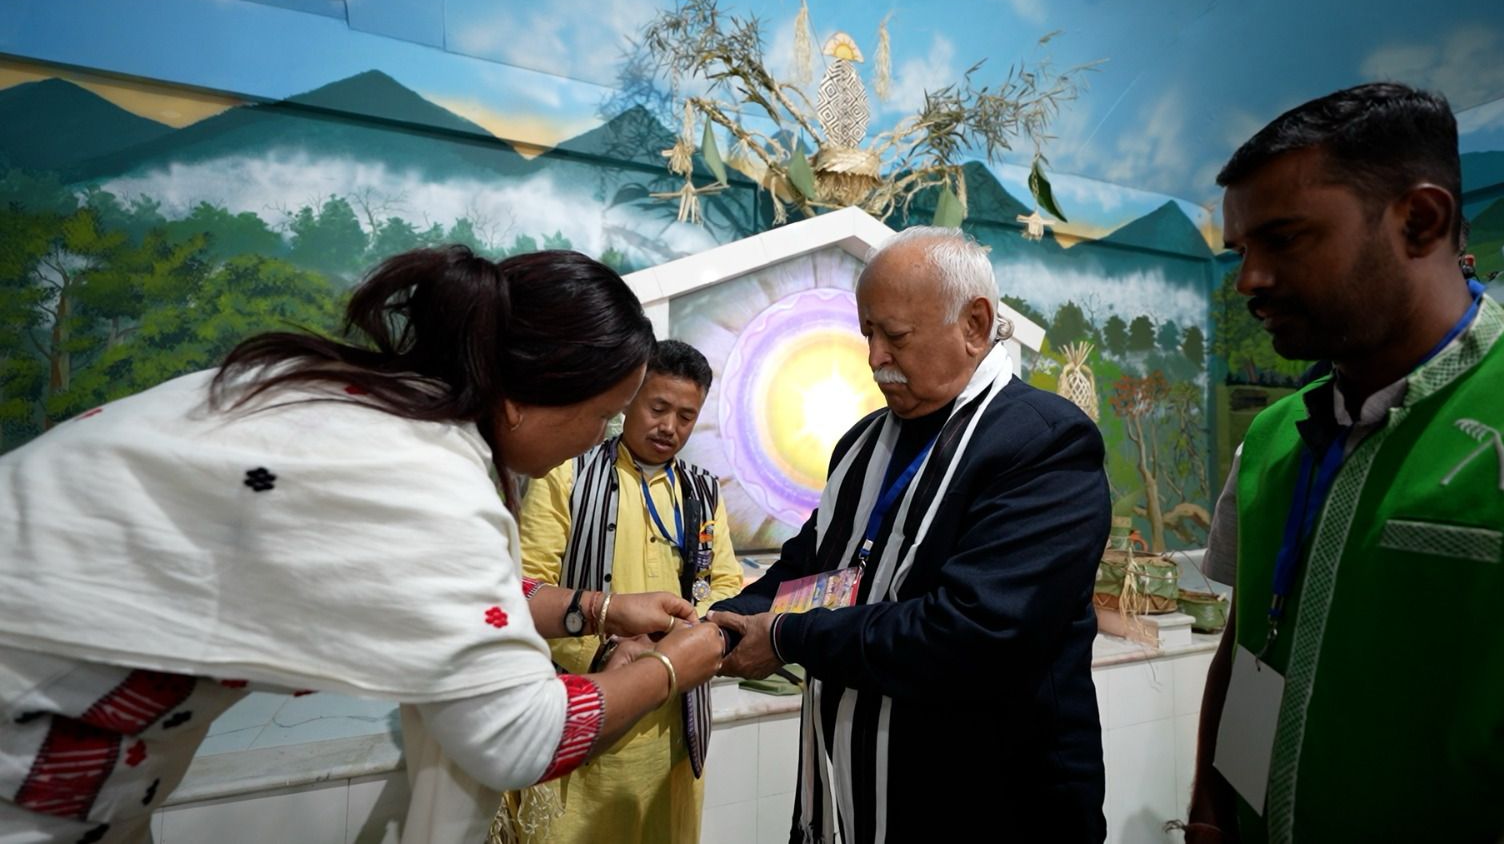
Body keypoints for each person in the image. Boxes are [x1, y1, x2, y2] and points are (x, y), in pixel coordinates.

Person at [0, 245, 726, 844]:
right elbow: (518, 737)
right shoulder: (428, 480)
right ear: (521, 400)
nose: (602, 435)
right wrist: (674, 664)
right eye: (604, 416)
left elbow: (470, 605)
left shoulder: (385, 414)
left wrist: (601, 610)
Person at [1186, 83, 1504, 843]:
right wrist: (1208, 807)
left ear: (1420, 220)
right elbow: (1245, 639)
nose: (1248, 280)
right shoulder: (1275, 437)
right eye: (1242, 251)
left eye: (1284, 238)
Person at [710, 227, 1111, 843]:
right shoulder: (863, 443)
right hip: (848, 786)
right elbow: (810, 569)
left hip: (986, 802)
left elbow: (974, 632)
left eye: (894, 336)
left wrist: (789, 636)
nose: (873, 358)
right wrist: (716, 628)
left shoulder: (1043, 442)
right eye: (867, 334)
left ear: (975, 325)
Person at [501, 340, 743, 843]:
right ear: (630, 399)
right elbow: (525, 588)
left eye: (686, 416)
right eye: (658, 408)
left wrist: (678, 641)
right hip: (589, 709)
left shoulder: (703, 489)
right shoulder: (568, 472)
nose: (669, 427)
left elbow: (724, 584)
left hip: (676, 722)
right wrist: (613, 647)